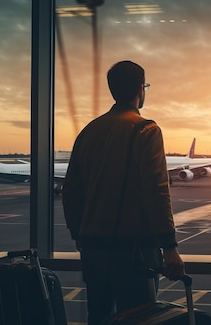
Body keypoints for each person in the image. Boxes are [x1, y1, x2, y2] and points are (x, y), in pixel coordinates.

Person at [62, 60, 185, 325]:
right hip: (133, 253)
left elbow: (71, 190)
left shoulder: (88, 132)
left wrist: (78, 234)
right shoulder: (145, 129)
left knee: (99, 317)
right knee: (140, 318)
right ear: (141, 88)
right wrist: (169, 247)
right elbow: (156, 191)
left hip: (94, 250)